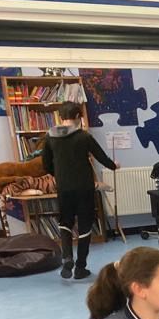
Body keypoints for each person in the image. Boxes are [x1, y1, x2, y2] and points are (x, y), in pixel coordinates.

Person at [42, 101, 117, 280]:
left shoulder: (50, 136)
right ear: (77, 117)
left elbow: (46, 165)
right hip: (84, 187)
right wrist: (114, 166)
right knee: (85, 225)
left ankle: (67, 257)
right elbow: (101, 157)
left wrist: (58, 174)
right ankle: (80, 268)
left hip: (64, 187)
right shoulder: (84, 137)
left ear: (60, 117)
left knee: (65, 222)